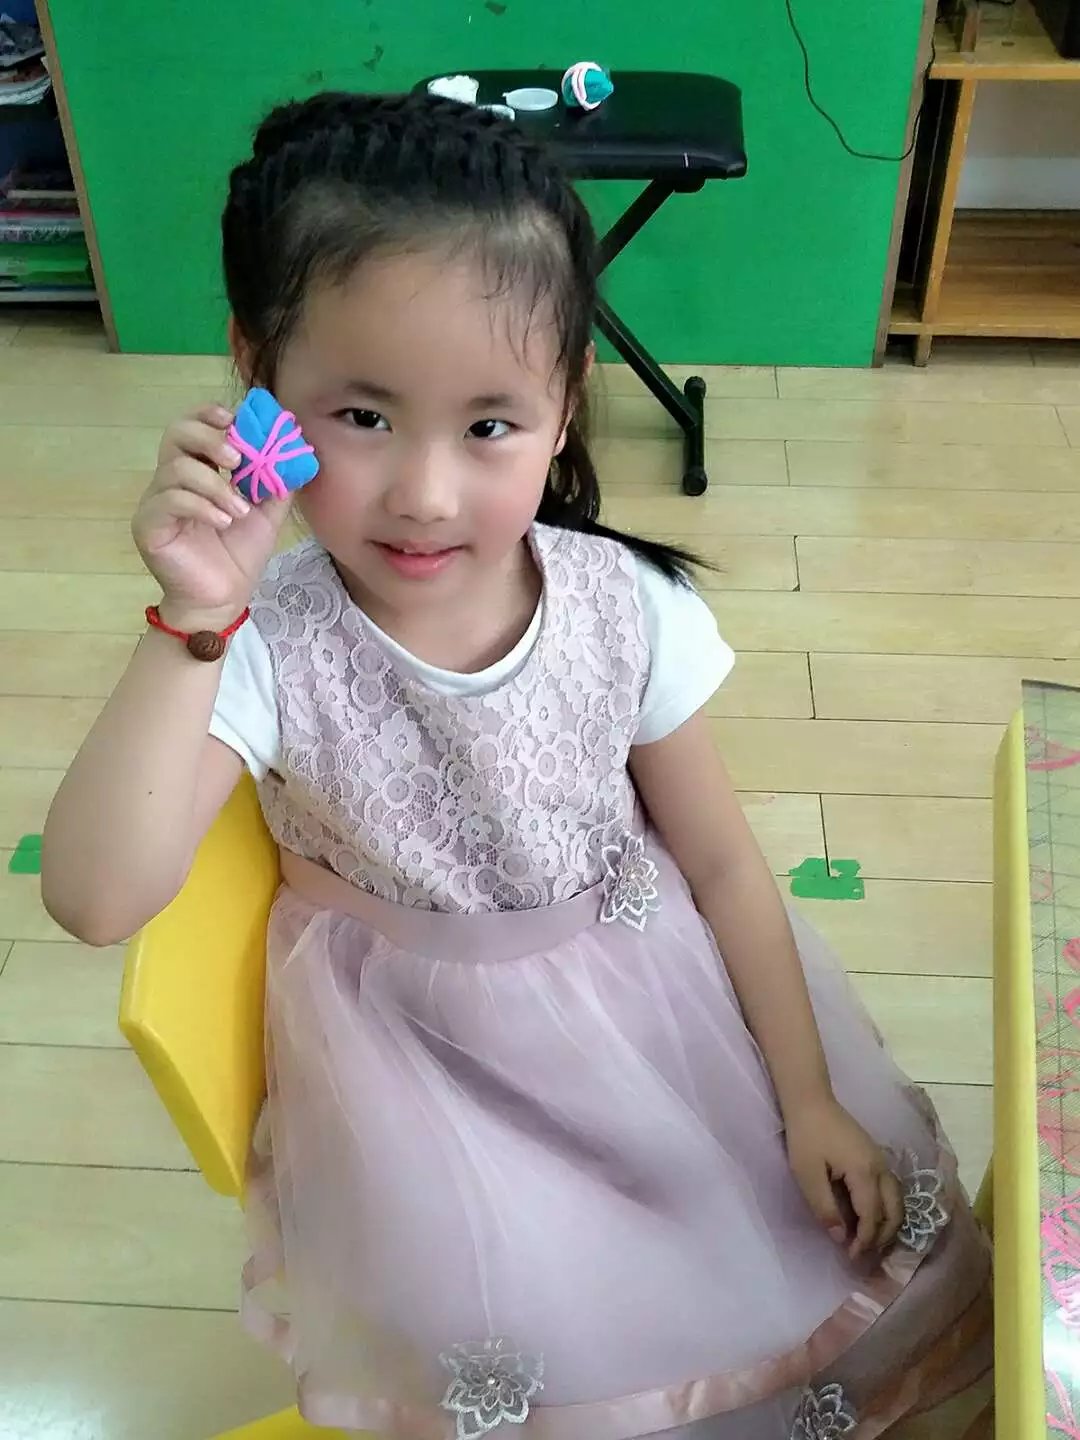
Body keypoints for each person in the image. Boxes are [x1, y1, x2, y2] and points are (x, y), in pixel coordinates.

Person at [42, 92, 992, 1440]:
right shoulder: (264, 644)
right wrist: (197, 613)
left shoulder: (626, 606)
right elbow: (95, 898)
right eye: (361, 415)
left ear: (565, 404)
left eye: (489, 425)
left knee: (790, 1246)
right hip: (418, 1074)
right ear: (257, 383)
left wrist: (805, 1098)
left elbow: (723, 864)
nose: (426, 494)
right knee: (536, 1339)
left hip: (651, 1013)